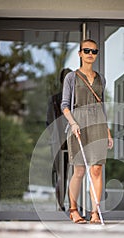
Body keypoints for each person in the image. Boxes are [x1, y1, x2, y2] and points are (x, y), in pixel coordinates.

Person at [61, 39, 113, 224]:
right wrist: (73, 123)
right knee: (80, 170)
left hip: (98, 124)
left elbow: (102, 106)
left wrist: (107, 130)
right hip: (78, 124)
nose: (91, 54)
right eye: (87, 50)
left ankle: (95, 213)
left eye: (94, 51)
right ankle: (73, 210)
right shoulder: (71, 77)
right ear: (80, 53)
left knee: (97, 169)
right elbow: (65, 105)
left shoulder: (101, 79)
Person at [46, 68, 72, 211]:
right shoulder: (55, 99)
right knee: (62, 175)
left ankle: (72, 206)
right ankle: (61, 206)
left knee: (73, 174)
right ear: (63, 81)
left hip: (73, 141)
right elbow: (49, 123)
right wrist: (55, 138)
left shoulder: (76, 98)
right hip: (59, 142)